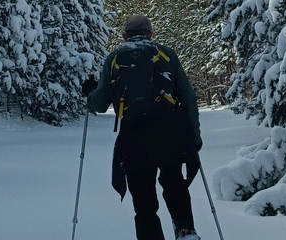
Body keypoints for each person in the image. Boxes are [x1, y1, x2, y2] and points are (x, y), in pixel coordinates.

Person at [83, 15, 202, 240]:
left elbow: (99, 103)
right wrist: (194, 138)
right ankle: (185, 231)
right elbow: (189, 98)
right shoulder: (166, 54)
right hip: (169, 133)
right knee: (174, 182)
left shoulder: (115, 58)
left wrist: (89, 93)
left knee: (144, 201)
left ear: (125, 35)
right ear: (150, 34)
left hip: (133, 137)